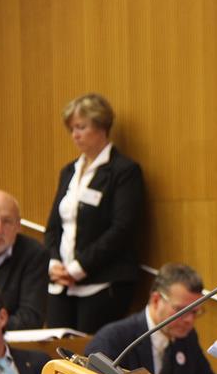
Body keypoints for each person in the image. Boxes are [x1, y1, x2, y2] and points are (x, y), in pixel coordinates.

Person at [45, 93, 145, 334]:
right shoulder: (69, 171)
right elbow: (54, 226)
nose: (75, 135)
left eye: (81, 127)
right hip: (62, 283)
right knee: (56, 350)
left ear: (101, 127)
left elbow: (122, 228)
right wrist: (54, 262)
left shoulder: (124, 171)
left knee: (90, 352)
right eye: (72, 129)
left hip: (103, 282)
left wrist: (79, 267)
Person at [85, 262, 217, 374]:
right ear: (156, 300)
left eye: (195, 312)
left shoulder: (187, 336)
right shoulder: (113, 339)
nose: (189, 320)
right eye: (181, 310)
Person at [0, 190, 49, 330]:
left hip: (3, 341)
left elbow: (30, 318)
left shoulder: (33, 255)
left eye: (7, 221)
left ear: (18, 226)